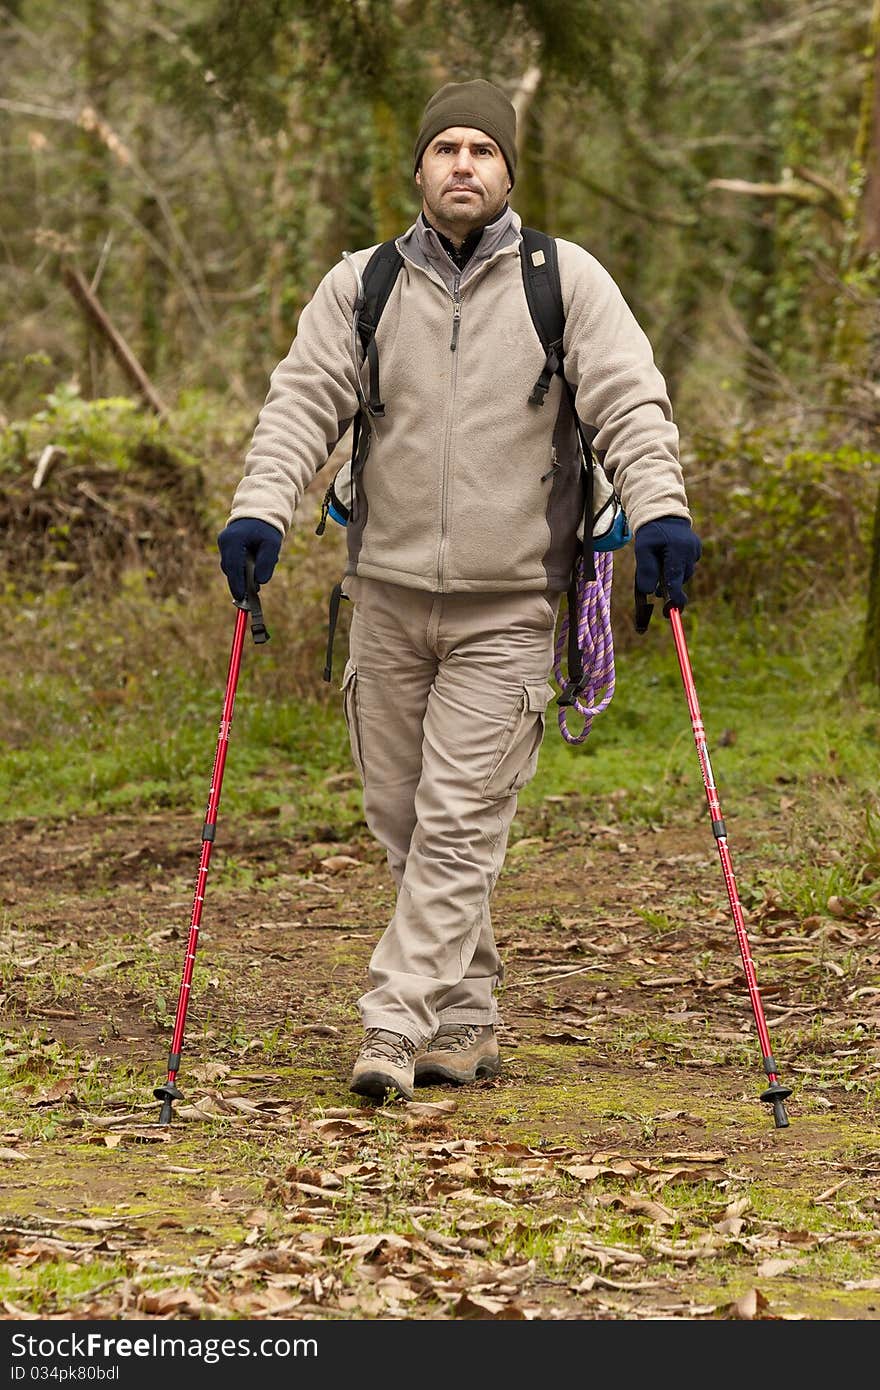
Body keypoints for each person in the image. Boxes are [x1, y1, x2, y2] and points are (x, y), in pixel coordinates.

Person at [218, 78, 701, 1103]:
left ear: (509, 169)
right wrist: (260, 509)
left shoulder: (565, 282)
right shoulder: (362, 285)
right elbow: (301, 405)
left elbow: (629, 402)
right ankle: (468, 1013)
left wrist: (659, 512)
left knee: (455, 820)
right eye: (447, 147)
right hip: (385, 601)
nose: (464, 164)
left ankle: (392, 1026)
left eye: (483, 148)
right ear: (422, 168)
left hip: (511, 605)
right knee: (402, 816)